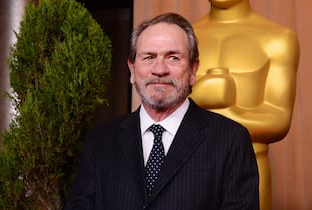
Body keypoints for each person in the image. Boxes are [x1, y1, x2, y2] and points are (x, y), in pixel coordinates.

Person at [64, 12, 259, 210]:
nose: (159, 69)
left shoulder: (230, 139)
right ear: (132, 70)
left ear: (193, 70)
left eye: (173, 57)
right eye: (149, 57)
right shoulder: (101, 142)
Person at [189, 0, 299, 210]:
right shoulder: (182, 38)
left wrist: (213, 111)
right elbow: (160, 109)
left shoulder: (278, 39)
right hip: (184, 167)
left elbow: (279, 119)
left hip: (248, 166)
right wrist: (198, 98)